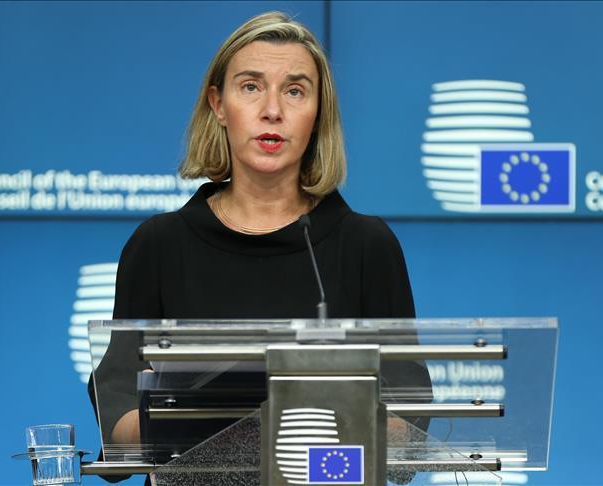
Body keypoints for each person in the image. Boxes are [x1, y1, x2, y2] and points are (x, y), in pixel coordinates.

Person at [88, 10, 432, 482]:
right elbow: (118, 427)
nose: (273, 110)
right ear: (218, 104)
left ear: (318, 114)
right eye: (251, 86)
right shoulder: (159, 245)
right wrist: (201, 420)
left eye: (295, 91)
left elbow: (408, 431)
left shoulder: (366, 246)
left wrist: (329, 408)